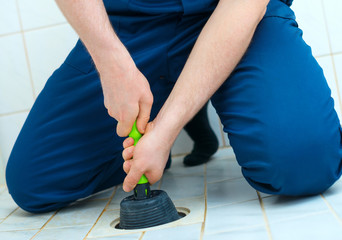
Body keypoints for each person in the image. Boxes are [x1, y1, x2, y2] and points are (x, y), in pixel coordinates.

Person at [5, 0, 342, 213]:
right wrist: (110, 60)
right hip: (133, 19)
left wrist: (165, 131)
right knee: (34, 184)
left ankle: (187, 104)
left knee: (305, 161)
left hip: (233, 13)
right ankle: (180, 107)